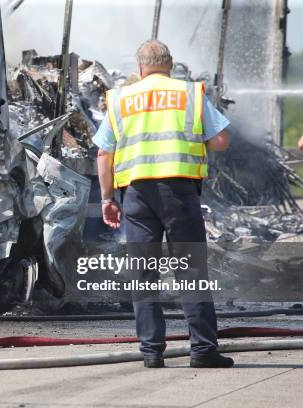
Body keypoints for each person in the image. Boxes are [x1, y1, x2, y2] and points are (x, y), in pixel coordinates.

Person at [94, 39, 234, 368]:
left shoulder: (120, 98)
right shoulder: (190, 94)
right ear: (170, 65)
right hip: (179, 193)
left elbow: (103, 152)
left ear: (140, 68)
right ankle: (202, 350)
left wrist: (106, 199)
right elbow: (221, 141)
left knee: (143, 275)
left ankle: (152, 352)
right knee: (191, 271)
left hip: (137, 196)